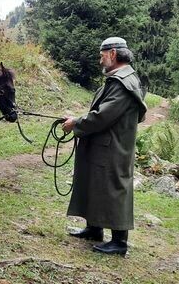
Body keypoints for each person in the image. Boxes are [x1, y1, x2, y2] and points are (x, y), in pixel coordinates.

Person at [62, 37, 147, 255]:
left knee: (114, 187)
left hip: (114, 146)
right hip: (105, 143)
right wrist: (78, 120)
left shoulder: (122, 82)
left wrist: (76, 123)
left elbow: (102, 117)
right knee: (96, 182)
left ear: (112, 53)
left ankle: (119, 241)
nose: (100, 61)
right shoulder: (120, 78)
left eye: (102, 56)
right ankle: (94, 229)